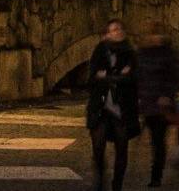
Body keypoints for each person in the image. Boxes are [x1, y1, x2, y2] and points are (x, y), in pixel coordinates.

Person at [55, 19, 147, 191]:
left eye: (119, 29)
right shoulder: (100, 51)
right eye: (113, 30)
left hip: (122, 109)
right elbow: (91, 79)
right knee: (98, 147)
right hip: (101, 108)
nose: (117, 32)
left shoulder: (130, 53)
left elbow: (134, 79)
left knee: (122, 147)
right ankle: (100, 180)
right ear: (107, 34)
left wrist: (108, 77)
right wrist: (118, 76)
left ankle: (117, 184)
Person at [132, 26, 179, 187]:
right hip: (147, 104)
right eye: (153, 34)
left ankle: (156, 176)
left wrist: (167, 95)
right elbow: (138, 78)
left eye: (159, 34)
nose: (156, 38)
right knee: (155, 141)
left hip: (162, 106)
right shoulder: (141, 54)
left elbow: (174, 78)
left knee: (159, 142)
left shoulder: (168, 54)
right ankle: (156, 174)